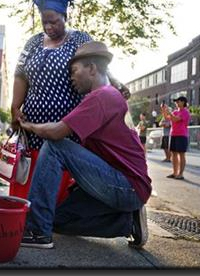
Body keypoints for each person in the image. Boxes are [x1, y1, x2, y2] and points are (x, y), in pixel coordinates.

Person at [19, 41, 151, 249]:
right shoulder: (106, 96)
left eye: (74, 71)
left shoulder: (102, 96)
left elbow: (57, 132)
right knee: (58, 219)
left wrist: (28, 125)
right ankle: (127, 222)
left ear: (91, 68)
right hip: (123, 186)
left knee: (55, 147)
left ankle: (36, 232)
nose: (71, 77)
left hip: (128, 185)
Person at [10, 0, 93, 201]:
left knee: (57, 180)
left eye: (53, 21)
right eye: (44, 21)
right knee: (29, 180)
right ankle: (26, 217)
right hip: (33, 127)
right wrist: (15, 106)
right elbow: (20, 75)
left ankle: (51, 220)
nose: (48, 26)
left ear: (65, 16)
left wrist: (116, 83)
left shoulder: (79, 39)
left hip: (66, 128)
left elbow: (98, 68)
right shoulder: (34, 42)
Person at [161, 96, 190, 180]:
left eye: (178, 101)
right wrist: (163, 110)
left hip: (182, 135)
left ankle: (180, 174)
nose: (176, 103)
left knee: (181, 154)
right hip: (173, 134)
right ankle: (175, 173)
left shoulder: (185, 112)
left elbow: (175, 119)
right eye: (176, 101)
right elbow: (167, 118)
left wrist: (169, 112)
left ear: (183, 102)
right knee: (173, 154)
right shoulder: (175, 111)